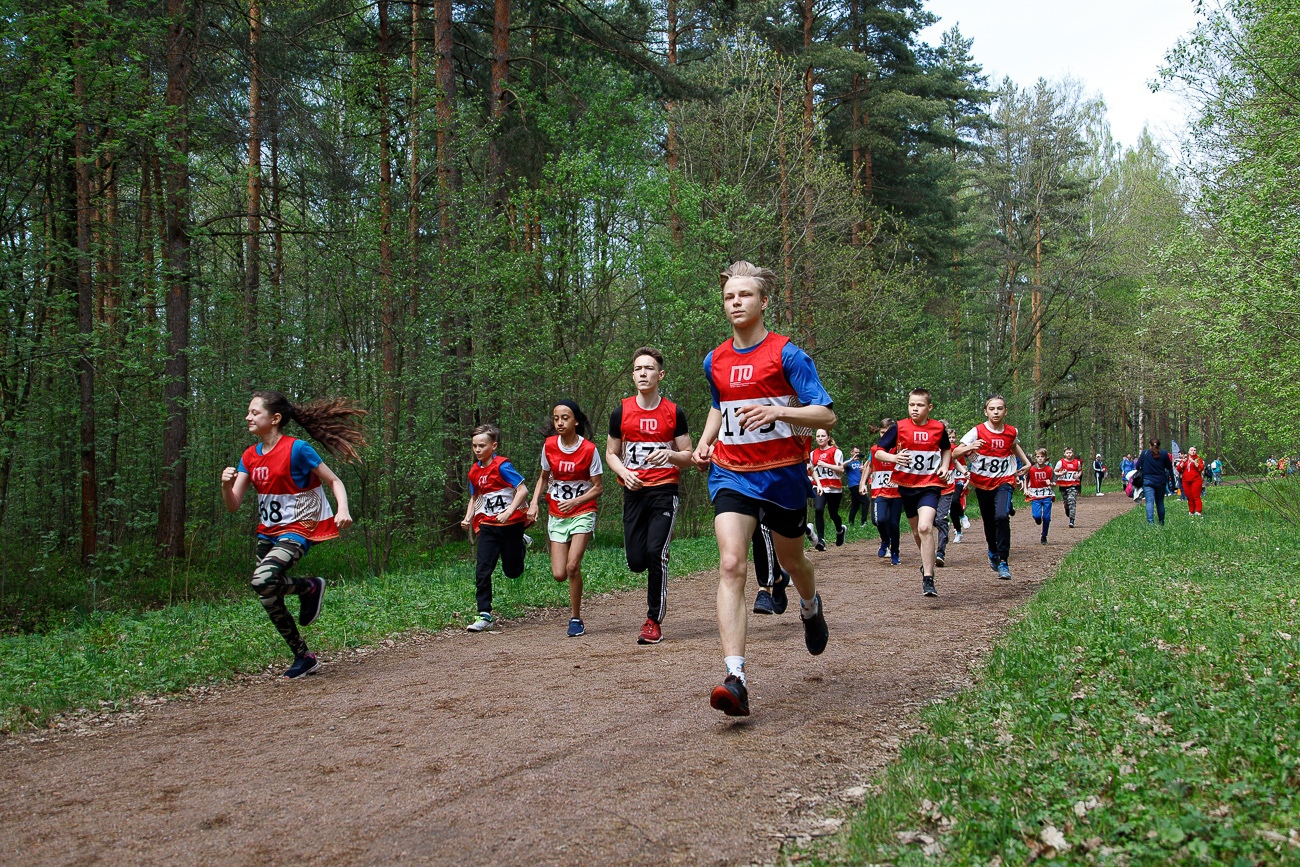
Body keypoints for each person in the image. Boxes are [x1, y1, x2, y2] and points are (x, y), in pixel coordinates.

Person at [692, 260, 833, 717]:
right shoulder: (714, 360)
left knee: (793, 562)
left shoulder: (787, 355)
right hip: (732, 472)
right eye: (729, 297)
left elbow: (825, 414)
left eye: (745, 295)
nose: (736, 302)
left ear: (764, 301)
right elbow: (720, 405)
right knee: (732, 563)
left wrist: (779, 412)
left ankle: (810, 605)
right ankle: (735, 678)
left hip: (782, 473)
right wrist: (706, 441)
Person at [220, 391, 365, 679]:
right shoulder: (249, 456)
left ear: (275, 418)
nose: (248, 417)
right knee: (267, 595)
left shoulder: (297, 449)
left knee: (262, 580)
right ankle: (304, 656)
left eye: (255, 413)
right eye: (248, 412)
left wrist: (343, 509)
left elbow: (334, 480)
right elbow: (233, 505)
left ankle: (310, 587)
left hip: (299, 528)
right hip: (267, 533)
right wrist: (226, 485)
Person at [606, 347, 693, 645]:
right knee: (636, 561)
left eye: (649, 368)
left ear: (660, 375)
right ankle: (654, 550)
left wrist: (669, 454)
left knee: (656, 553)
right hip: (633, 491)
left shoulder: (673, 412)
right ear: (633, 376)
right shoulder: (620, 411)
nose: (643, 373)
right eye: (638, 369)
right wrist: (624, 472)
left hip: (664, 490)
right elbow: (611, 453)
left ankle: (653, 620)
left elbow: (688, 455)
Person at [527, 401, 604, 637]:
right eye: (556, 418)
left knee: (572, 566)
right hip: (557, 513)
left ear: (576, 421)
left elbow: (598, 487)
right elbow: (543, 478)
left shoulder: (589, 449)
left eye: (565, 418)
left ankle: (576, 618)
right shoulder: (549, 446)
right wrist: (533, 503)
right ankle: (574, 600)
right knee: (559, 574)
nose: (560, 423)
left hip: (583, 511)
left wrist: (575, 501)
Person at [872, 390, 952, 597]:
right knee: (917, 533)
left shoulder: (938, 428)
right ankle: (926, 563)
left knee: (925, 528)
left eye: (920, 405)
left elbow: (946, 448)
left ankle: (928, 578)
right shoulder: (899, 427)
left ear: (929, 407)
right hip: (907, 486)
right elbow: (879, 451)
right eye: (911, 405)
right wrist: (894, 458)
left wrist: (944, 466)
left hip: (930, 484)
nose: (915, 409)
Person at [461, 424, 530, 633]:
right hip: (488, 526)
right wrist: (468, 517)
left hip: (510, 525)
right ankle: (484, 614)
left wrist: (509, 511)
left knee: (512, 571)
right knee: (482, 569)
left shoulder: (502, 466)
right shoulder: (474, 472)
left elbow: (523, 490)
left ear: (494, 446)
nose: (477, 450)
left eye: (482, 445)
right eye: (474, 446)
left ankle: (521, 542)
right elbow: (475, 497)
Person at [961, 395, 1030, 580]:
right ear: (986, 411)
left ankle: (1003, 561)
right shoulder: (976, 431)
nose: (996, 412)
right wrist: (971, 446)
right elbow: (955, 452)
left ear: (1005, 411)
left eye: (1000, 408)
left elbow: (1013, 445)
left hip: (1004, 480)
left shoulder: (1011, 431)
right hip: (982, 483)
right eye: (992, 409)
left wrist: (1027, 462)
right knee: (989, 521)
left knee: (1001, 516)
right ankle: (992, 549)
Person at [866, 418, 902, 566]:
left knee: (894, 524)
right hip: (879, 491)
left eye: (888, 433)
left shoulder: (900, 449)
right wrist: (862, 483)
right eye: (882, 433)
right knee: (879, 520)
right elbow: (869, 465)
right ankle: (885, 540)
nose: (885, 436)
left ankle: (895, 552)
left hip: (897, 492)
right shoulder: (875, 449)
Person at [808, 430, 846, 549]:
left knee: (833, 513)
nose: (820, 438)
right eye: (818, 436)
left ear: (828, 438)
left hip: (834, 488)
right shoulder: (813, 454)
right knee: (819, 509)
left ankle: (840, 530)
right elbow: (811, 471)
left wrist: (826, 465)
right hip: (819, 486)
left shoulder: (836, 452)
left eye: (823, 436)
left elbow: (841, 469)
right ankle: (821, 540)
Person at [1136, 438, 1175, 525]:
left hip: (1148, 481)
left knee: (1149, 501)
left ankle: (1151, 522)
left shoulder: (1145, 453)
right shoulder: (1164, 453)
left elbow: (1137, 466)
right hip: (1161, 481)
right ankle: (1161, 522)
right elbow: (1169, 466)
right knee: (1160, 502)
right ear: (1159, 445)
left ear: (1150, 445)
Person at [1024, 448, 1056, 544]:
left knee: (1046, 518)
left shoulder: (1049, 469)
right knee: (1036, 515)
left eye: (1042, 457)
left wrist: (1051, 483)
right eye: (1038, 457)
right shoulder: (1031, 469)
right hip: (1035, 495)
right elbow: (1026, 479)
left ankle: (1044, 536)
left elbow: (1055, 483)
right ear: (1035, 457)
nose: (1040, 459)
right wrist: (1025, 489)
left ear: (1045, 458)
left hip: (1047, 495)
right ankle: (1038, 520)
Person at [1054, 446, 1083, 528]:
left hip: (1073, 484)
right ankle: (1067, 509)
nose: (1069, 454)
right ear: (1064, 454)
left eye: (1070, 453)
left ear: (1072, 453)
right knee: (1066, 502)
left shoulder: (1077, 462)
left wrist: (1078, 475)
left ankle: (1072, 520)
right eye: (1067, 453)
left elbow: (1080, 470)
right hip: (1063, 485)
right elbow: (1055, 472)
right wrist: (1061, 473)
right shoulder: (1060, 462)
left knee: (1072, 500)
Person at [1177, 446, 1206, 517]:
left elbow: (1201, 468)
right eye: (1191, 450)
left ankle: (1198, 511)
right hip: (1186, 480)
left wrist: (1193, 462)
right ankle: (1191, 511)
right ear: (1188, 451)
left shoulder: (1198, 459)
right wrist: (1183, 462)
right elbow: (1179, 469)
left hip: (1196, 480)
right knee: (1189, 496)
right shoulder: (1185, 459)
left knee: (1196, 496)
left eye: (1194, 450)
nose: (1193, 451)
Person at [844, 446, 867, 527]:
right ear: (851, 452)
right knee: (866, 501)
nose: (857, 454)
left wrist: (863, 470)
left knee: (855, 504)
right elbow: (842, 466)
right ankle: (863, 521)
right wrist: (851, 459)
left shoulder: (859, 462)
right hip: (854, 485)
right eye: (856, 452)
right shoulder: (848, 461)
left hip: (860, 484)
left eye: (858, 453)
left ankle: (851, 523)